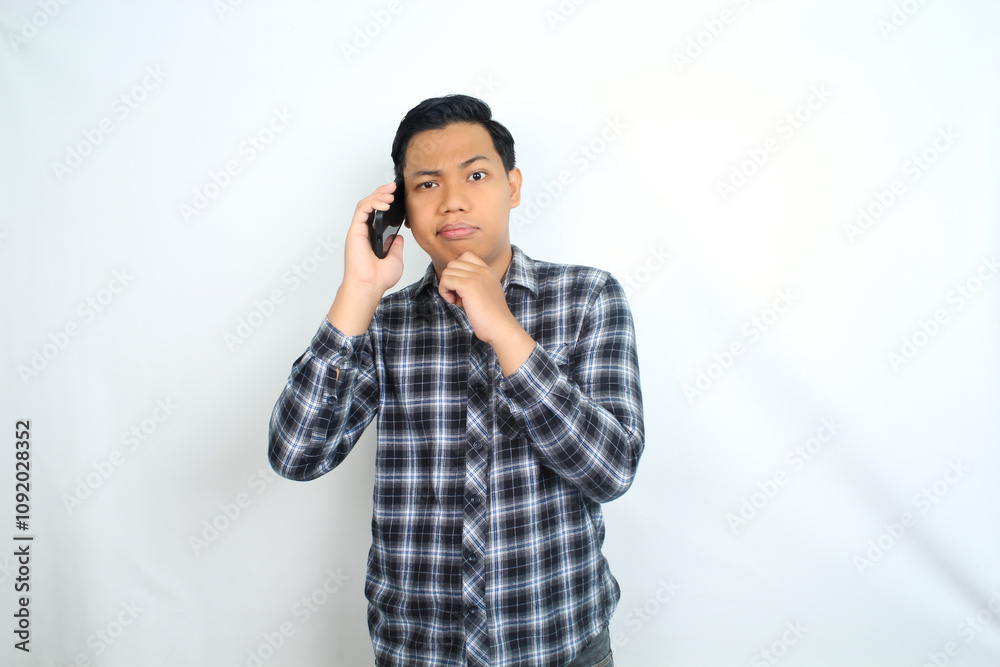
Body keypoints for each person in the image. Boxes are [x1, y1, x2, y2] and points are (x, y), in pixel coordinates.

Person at [268, 94, 644, 667]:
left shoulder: (588, 297)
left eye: (476, 174)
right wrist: (359, 291)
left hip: (560, 642)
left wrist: (507, 334)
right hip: (420, 650)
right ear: (401, 209)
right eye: (427, 184)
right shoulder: (384, 323)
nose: (452, 200)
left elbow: (612, 471)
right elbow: (296, 454)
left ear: (512, 186)